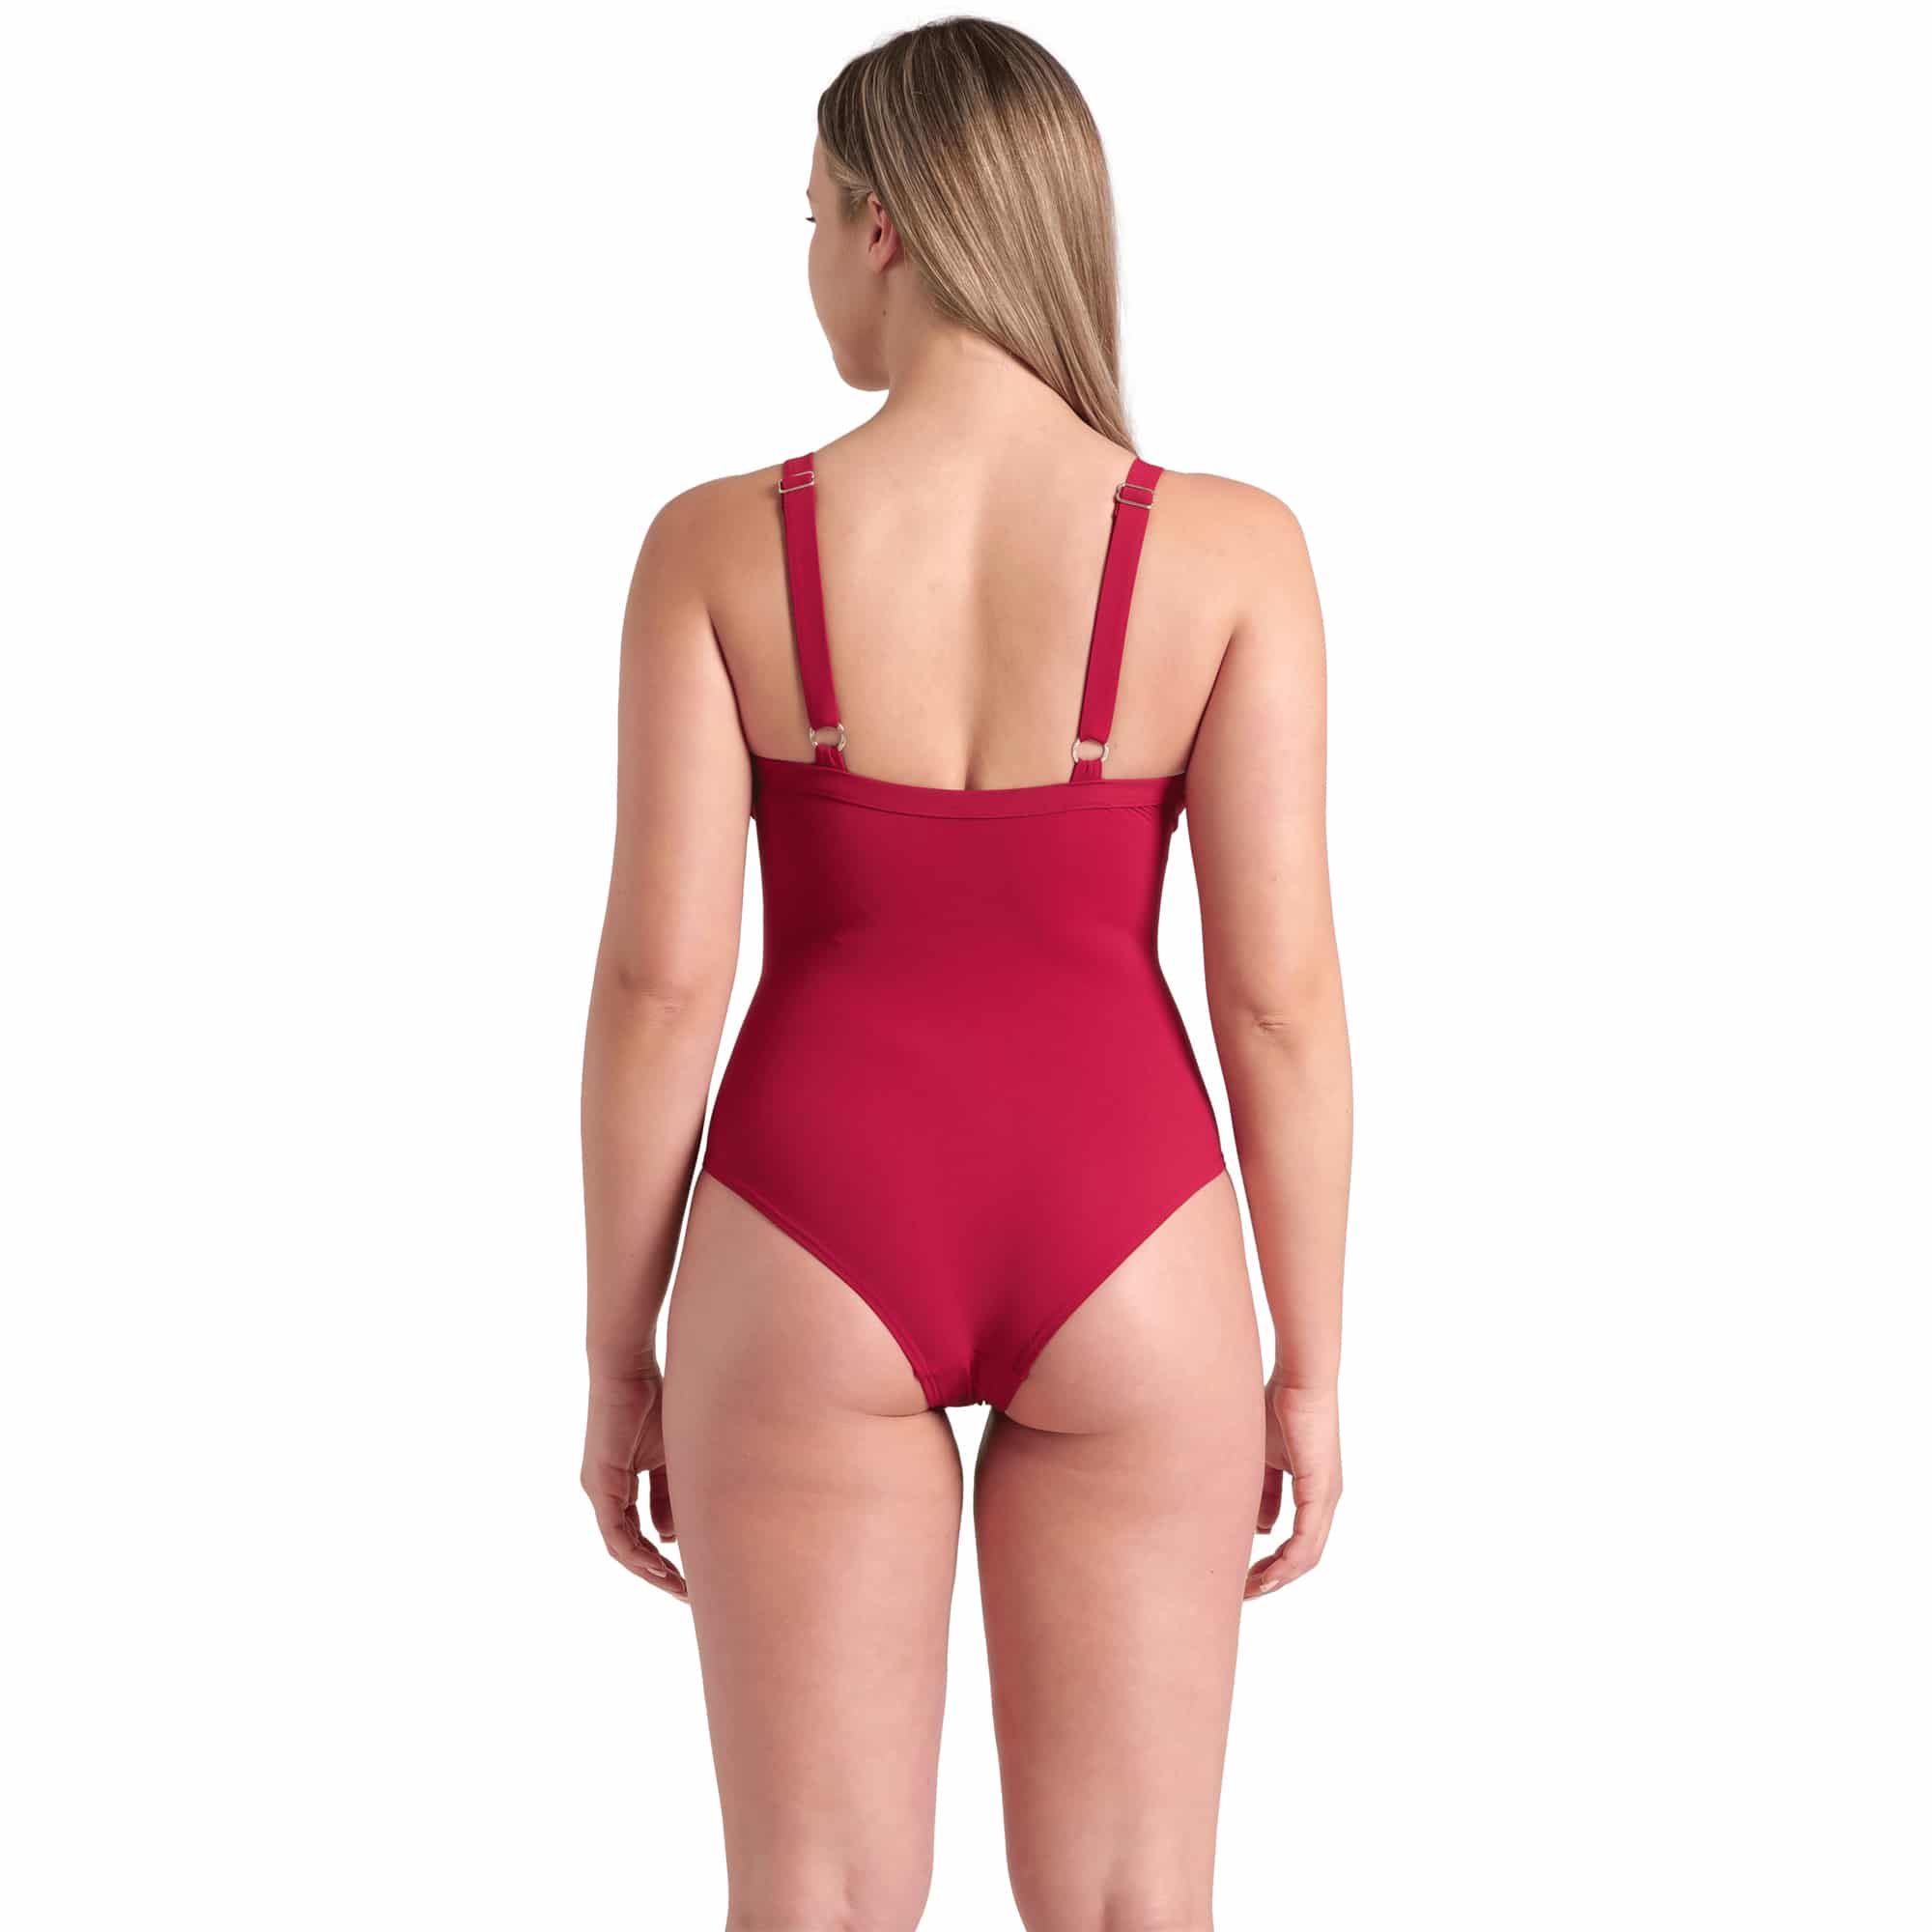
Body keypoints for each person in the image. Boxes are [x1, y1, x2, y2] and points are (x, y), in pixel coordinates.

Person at [580, 18, 1350, 1929]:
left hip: (808, 1223)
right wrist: (1310, 1365)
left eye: (810, 216)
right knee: (1132, 1905)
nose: (810, 259)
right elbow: (1276, 1003)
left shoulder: (716, 548)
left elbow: (662, 986)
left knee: (815, 1898)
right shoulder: (1233, 551)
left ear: (887, 225)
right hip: (1132, 1226)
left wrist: (619, 1355)